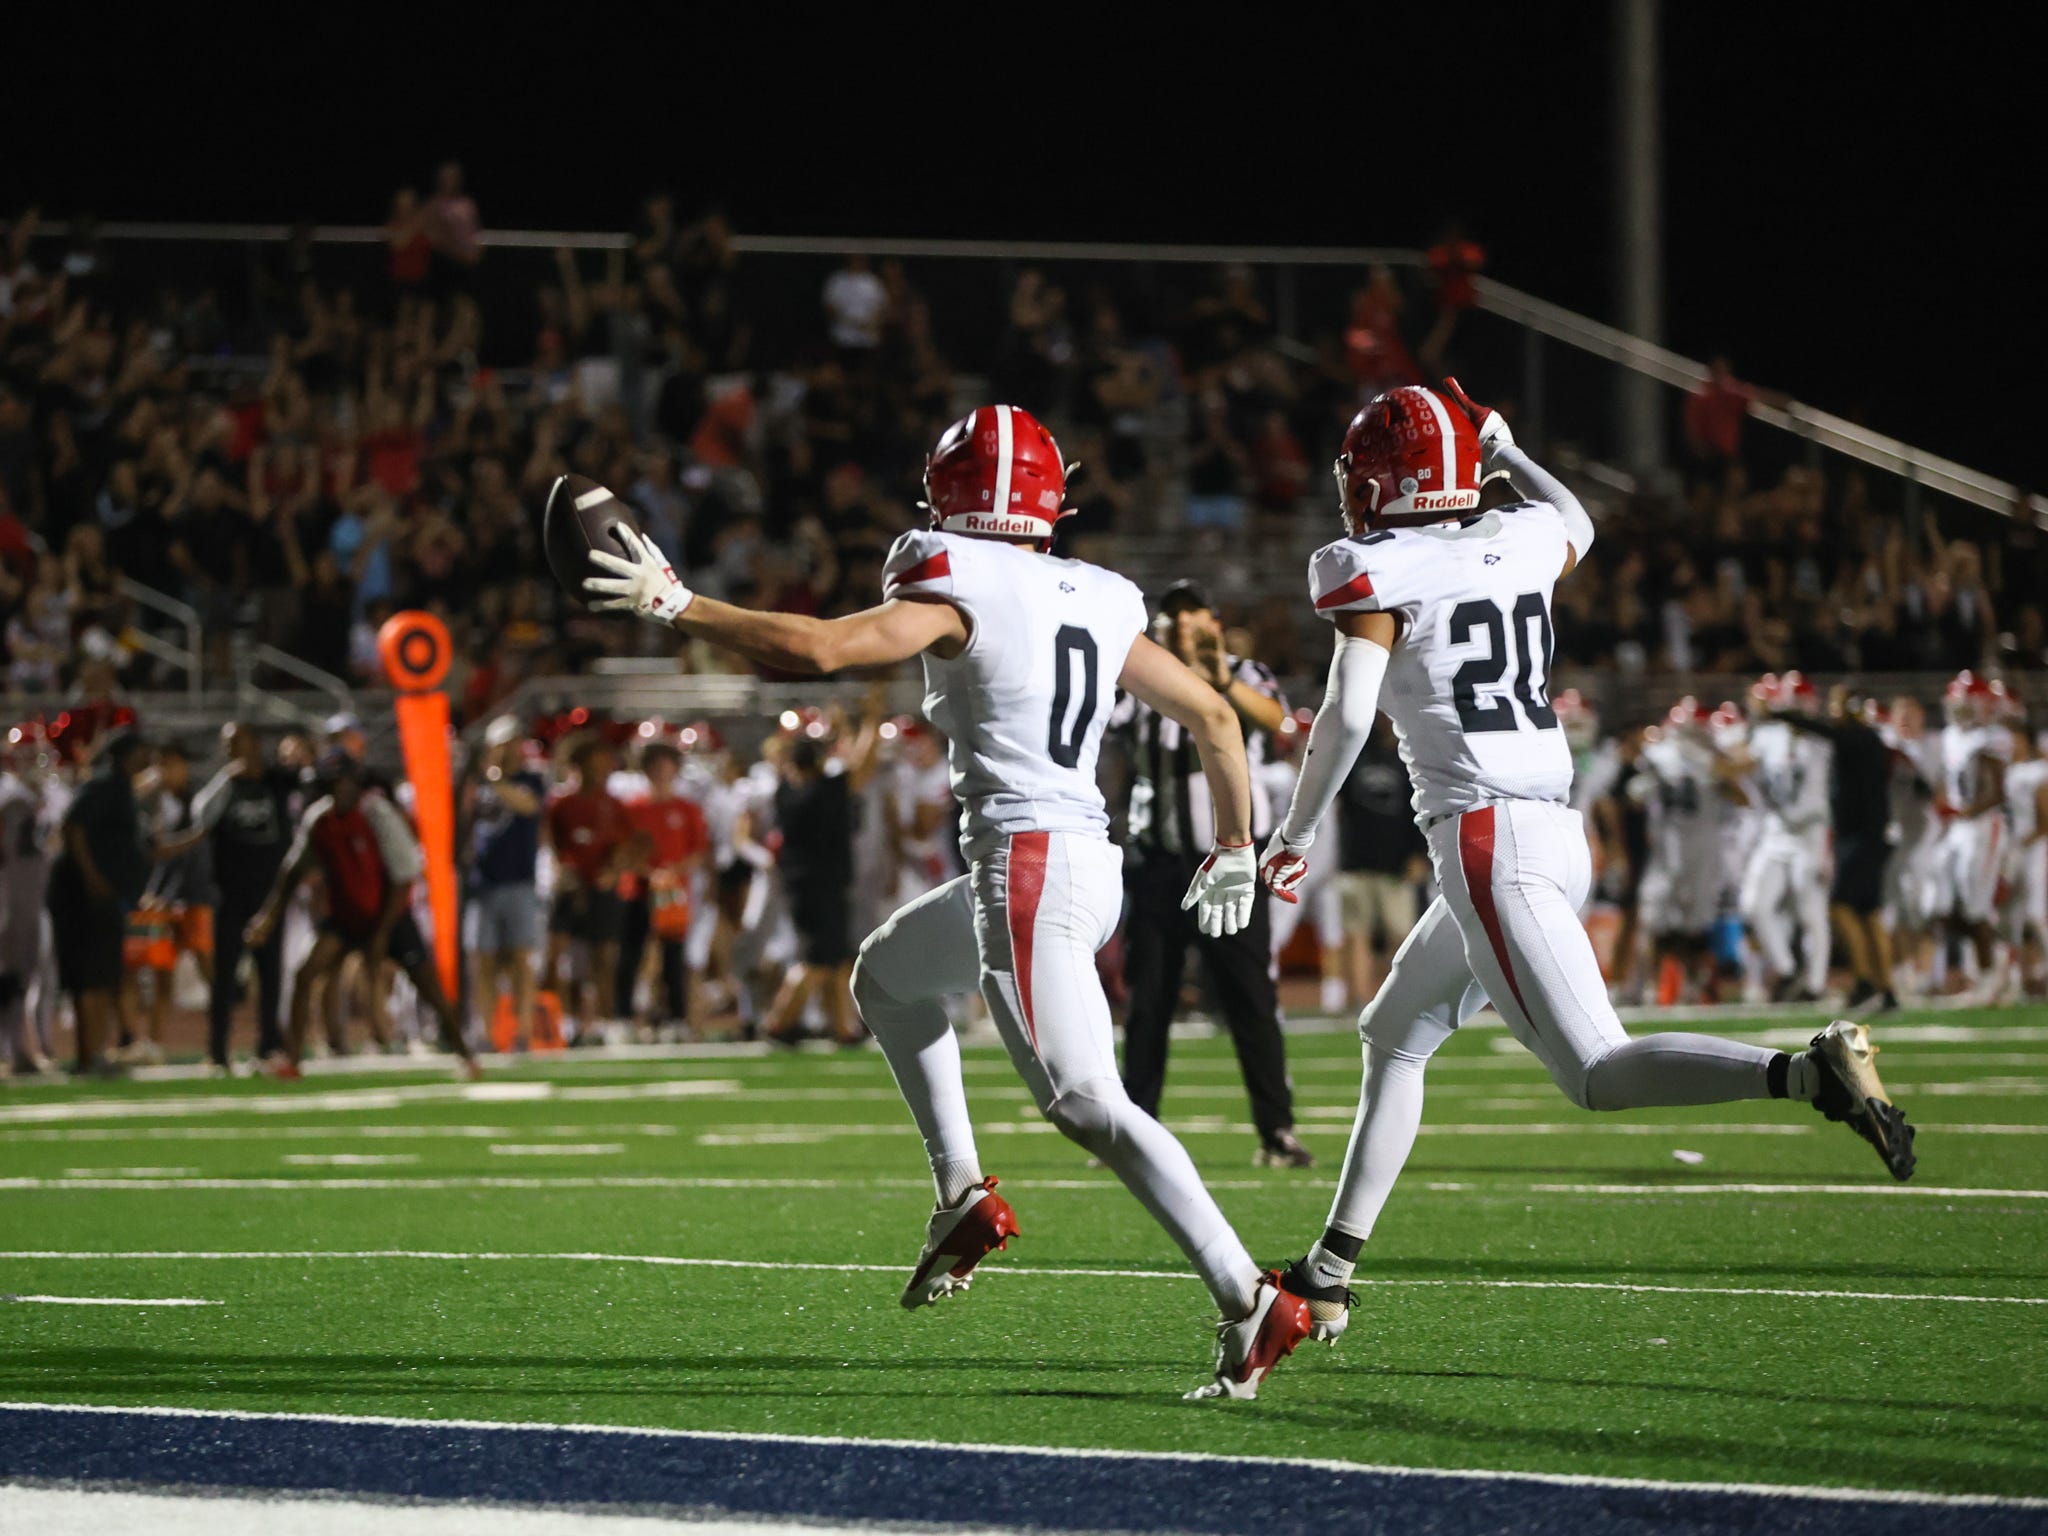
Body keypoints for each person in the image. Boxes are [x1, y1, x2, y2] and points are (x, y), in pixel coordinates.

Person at [583, 404, 1311, 1400]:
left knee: (1085, 1102)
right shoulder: (1099, 593)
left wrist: (680, 607)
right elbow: (1215, 716)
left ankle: (1245, 1294)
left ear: (949, 494)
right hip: (1080, 861)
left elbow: (825, 652)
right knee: (885, 979)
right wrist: (1235, 845)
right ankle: (961, 1194)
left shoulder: (953, 573)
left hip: (1026, 866)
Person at [1256, 380, 1917, 1345]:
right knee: (1393, 1029)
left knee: (1598, 1071)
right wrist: (1510, 448)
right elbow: (1574, 517)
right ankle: (1330, 1269)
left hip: (1486, 839)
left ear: (1381, 482)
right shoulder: (1518, 537)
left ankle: (1807, 1074)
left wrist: (1294, 834)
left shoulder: (1370, 565)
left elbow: (1350, 714)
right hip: (1551, 834)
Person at [1113, 578, 1311, 1168]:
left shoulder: (1243, 673)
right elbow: (1107, 721)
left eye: (1194, 612)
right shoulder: (1141, 676)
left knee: (1251, 997)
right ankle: (1133, 1130)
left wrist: (1216, 676)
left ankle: (1276, 1131)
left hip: (1229, 863)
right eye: (1172, 616)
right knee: (1148, 1001)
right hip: (1158, 863)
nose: (1183, 624)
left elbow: (1278, 723)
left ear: (1214, 620)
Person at [245, 751, 479, 1081]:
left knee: (428, 986)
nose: (339, 791)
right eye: (332, 785)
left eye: (343, 782)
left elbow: (402, 877)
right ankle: (293, 1059)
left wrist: (382, 934)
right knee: (305, 973)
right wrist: (268, 917)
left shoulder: (376, 813)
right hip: (345, 918)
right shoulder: (320, 820)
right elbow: (293, 870)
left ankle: (466, 1055)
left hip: (390, 915)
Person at [1774, 688, 1902, 1014]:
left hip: (1863, 836)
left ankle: (1864, 983)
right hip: (1864, 835)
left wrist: (1780, 713)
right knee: (1869, 913)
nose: (1832, 711)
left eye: (1837, 704)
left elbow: (1827, 732)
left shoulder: (1861, 738)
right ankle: (1886, 989)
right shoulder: (1865, 739)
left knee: (1841, 907)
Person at [191, 723, 297, 1070]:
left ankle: (268, 1045)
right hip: (231, 894)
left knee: (270, 977)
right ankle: (217, 1050)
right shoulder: (225, 786)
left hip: (269, 896)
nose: (229, 751)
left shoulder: (277, 782)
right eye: (226, 745)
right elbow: (200, 817)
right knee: (224, 977)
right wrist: (225, 777)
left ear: (255, 743)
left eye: (235, 743)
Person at [47, 729, 153, 1075]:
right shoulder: (105, 785)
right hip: (84, 896)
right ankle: (89, 1055)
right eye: (140, 752)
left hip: (103, 895)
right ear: (125, 755)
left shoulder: (122, 789)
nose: (146, 758)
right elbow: (73, 826)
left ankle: (94, 1053)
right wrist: (93, 878)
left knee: (103, 975)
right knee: (90, 976)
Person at [1631, 700, 1745, 1005]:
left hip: (1699, 854)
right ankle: (1650, 986)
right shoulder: (1662, 756)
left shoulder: (1710, 762)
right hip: (1669, 853)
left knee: (1694, 927)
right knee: (1657, 922)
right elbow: (1636, 793)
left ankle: (1692, 986)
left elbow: (1741, 796)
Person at [1735, 672, 1833, 1002]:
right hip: (1776, 830)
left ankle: (1815, 985)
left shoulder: (1823, 740)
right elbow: (1738, 764)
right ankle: (1789, 970)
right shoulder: (1768, 736)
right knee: (1754, 905)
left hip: (1811, 830)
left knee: (1810, 912)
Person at [462, 715, 547, 1048]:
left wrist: (493, 779)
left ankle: (523, 1031)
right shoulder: (475, 785)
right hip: (483, 882)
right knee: (481, 960)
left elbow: (527, 805)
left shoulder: (531, 780)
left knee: (520, 959)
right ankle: (486, 1032)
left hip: (519, 882)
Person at [1333, 717, 1427, 1009]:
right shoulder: (1354, 755)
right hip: (1356, 861)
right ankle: (1360, 1000)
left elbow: (1422, 810)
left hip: (1396, 864)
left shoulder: (1412, 759)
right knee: (1356, 934)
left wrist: (1419, 854)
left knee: (1400, 936)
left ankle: (1397, 1001)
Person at [617, 734, 709, 1033]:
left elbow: (698, 852)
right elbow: (625, 852)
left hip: (674, 894)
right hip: (639, 889)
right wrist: (649, 872)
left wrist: (673, 872)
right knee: (631, 953)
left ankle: (677, 1017)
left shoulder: (686, 809)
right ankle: (624, 1017)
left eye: (665, 765)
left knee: (673, 955)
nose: (660, 772)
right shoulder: (632, 809)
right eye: (654, 765)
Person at [1931, 671, 2013, 1002]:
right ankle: (1999, 954)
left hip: (1983, 826)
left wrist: (1966, 811)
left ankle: (1990, 978)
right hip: (1958, 827)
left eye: (1967, 705)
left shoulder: (1992, 737)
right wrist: (1945, 805)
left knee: (1976, 907)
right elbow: (1946, 781)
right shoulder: (1951, 735)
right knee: (1941, 906)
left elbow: (1997, 791)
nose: (1960, 711)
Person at [544, 738, 634, 1031]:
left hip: (602, 887)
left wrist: (614, 871)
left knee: (605, 956)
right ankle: (565, 1020)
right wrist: (560, 868)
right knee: (558, 955)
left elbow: (628, 846)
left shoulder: (613, 805)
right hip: (571, 888)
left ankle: (605, 1021)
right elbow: (550, 840)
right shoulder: (562, 803)